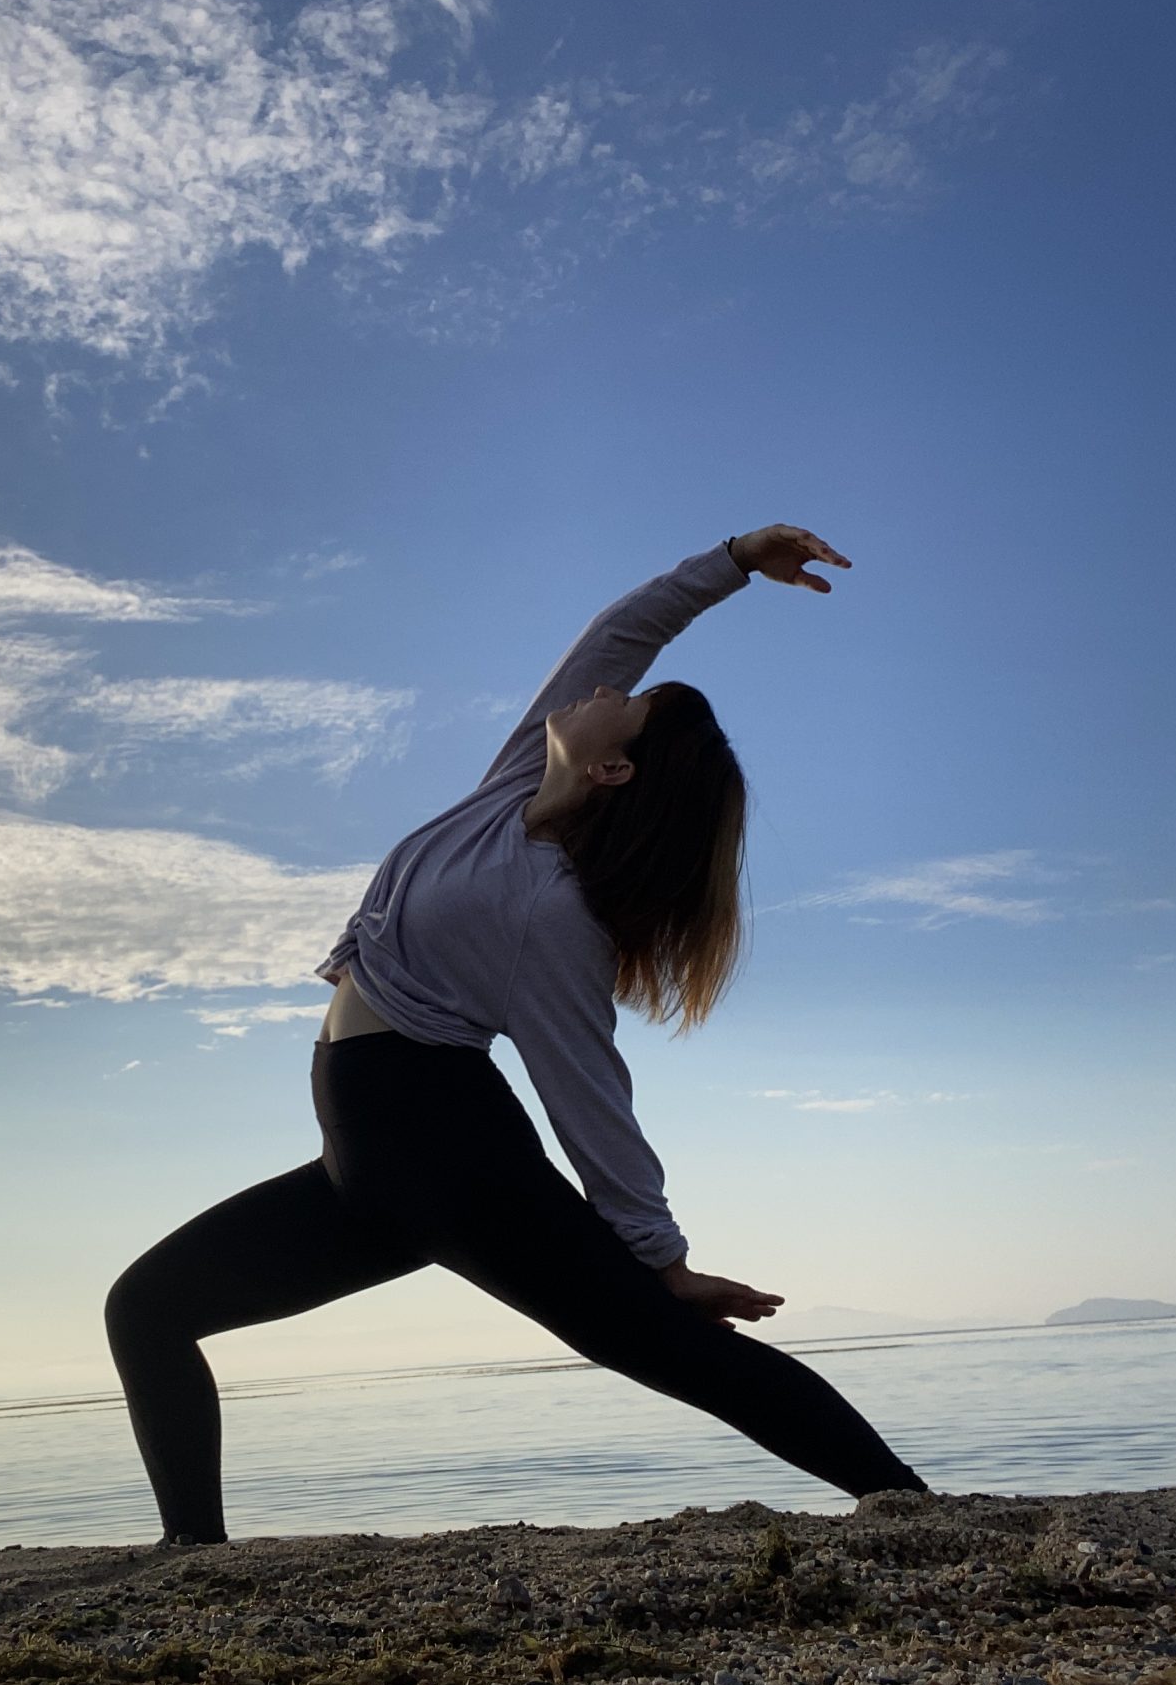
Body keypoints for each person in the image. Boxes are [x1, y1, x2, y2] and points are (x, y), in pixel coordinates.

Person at [105, 524, 929, 1545]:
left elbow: (586, 1084)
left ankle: (910, 1509)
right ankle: (194, 1555)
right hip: (368, 1158)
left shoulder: (549, 910)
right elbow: (619, 633)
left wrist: (657, 1254)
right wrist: (730, 562)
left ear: (617, 770)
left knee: (675, 1348)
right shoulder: (508, 791)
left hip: (448, 1159)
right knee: (145, 1309)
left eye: (623, 708)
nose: (595, 695)